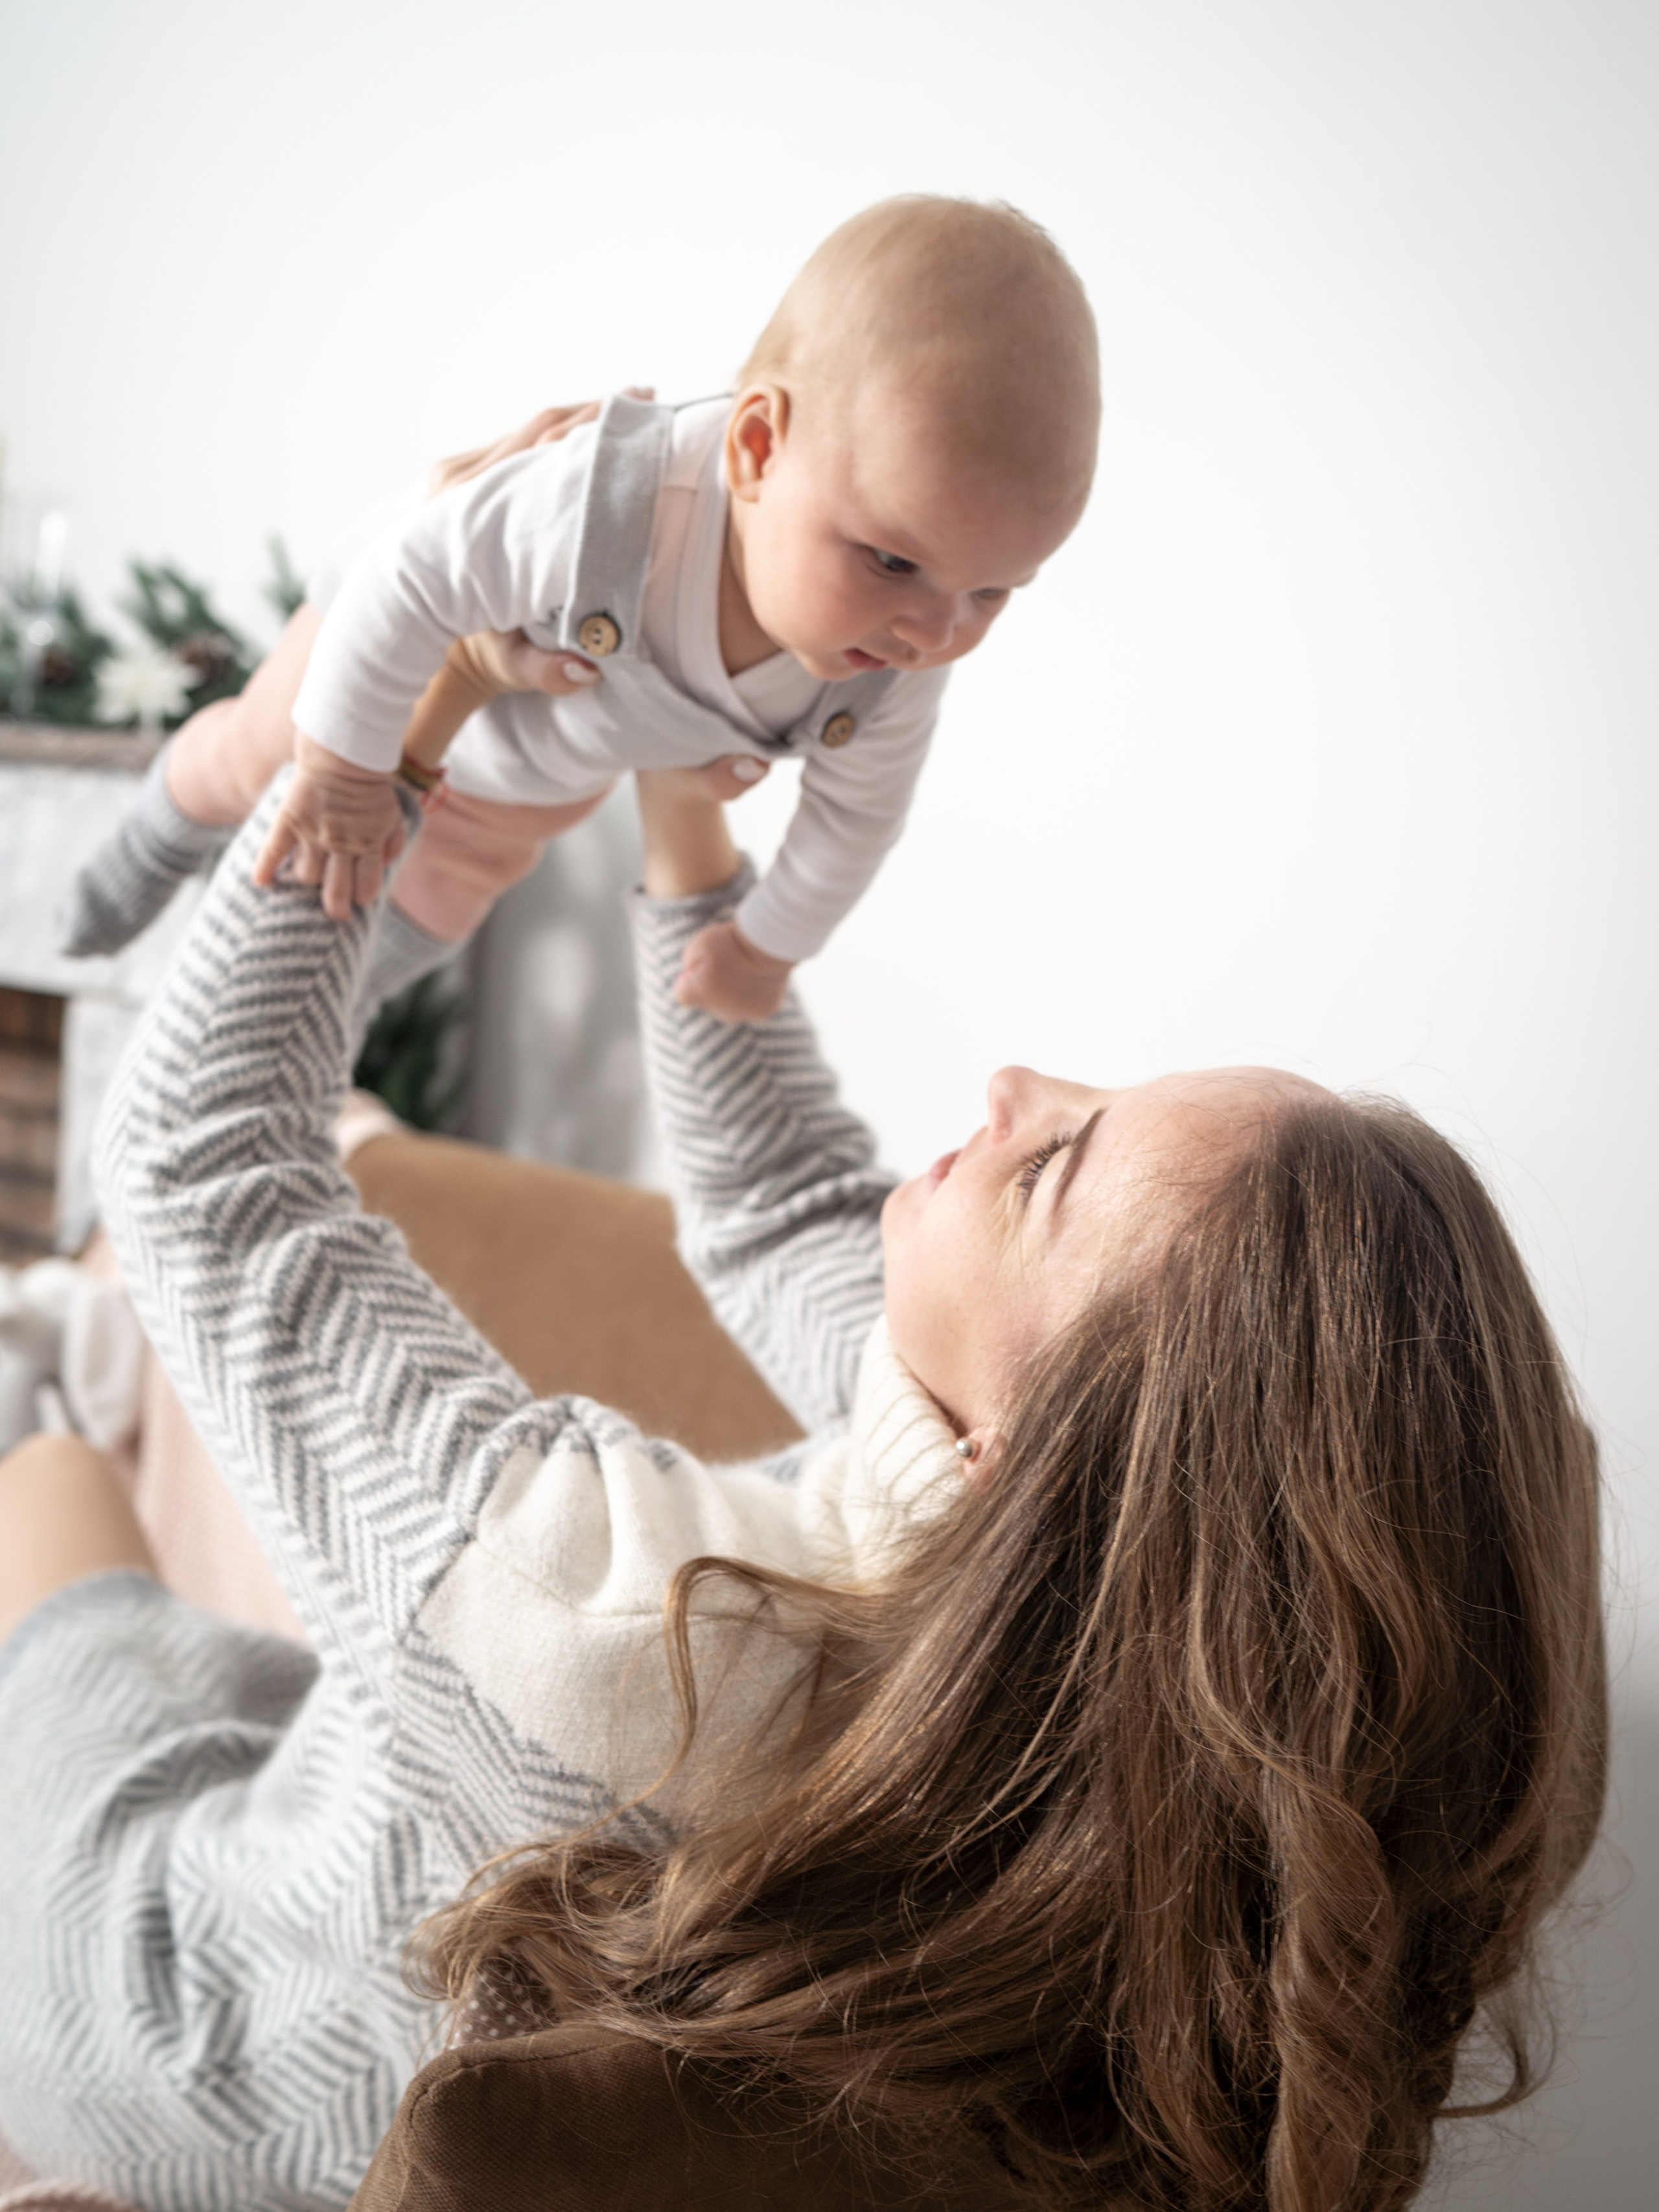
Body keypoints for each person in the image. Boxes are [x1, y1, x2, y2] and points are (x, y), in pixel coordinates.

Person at [0, 741, 1607, 2209]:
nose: (1011, 1088)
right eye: (1087, 1096)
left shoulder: (640, 1636)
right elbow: (774, 1202)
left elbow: (198, 1167)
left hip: (147, 1990)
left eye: (1052, 1167)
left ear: (1027, 1460)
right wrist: (679, 797)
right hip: (326, 1812)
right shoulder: (1048, 1639)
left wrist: (369, 737)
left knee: (51, 1469)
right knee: (268, 1631)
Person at [59, 194, 1101, 1023]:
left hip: (530, 777)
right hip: (391, 660)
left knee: (429, 908)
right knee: (258, 754)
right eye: (888, 560)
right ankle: (157, 833)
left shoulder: (892, 667)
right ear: (756, 449)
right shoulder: (616, 508)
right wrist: (343, 767)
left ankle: (303, 1015)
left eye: (993, 591)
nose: (937, 633)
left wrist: (763, 945)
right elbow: (413, 578)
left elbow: (857, 824)